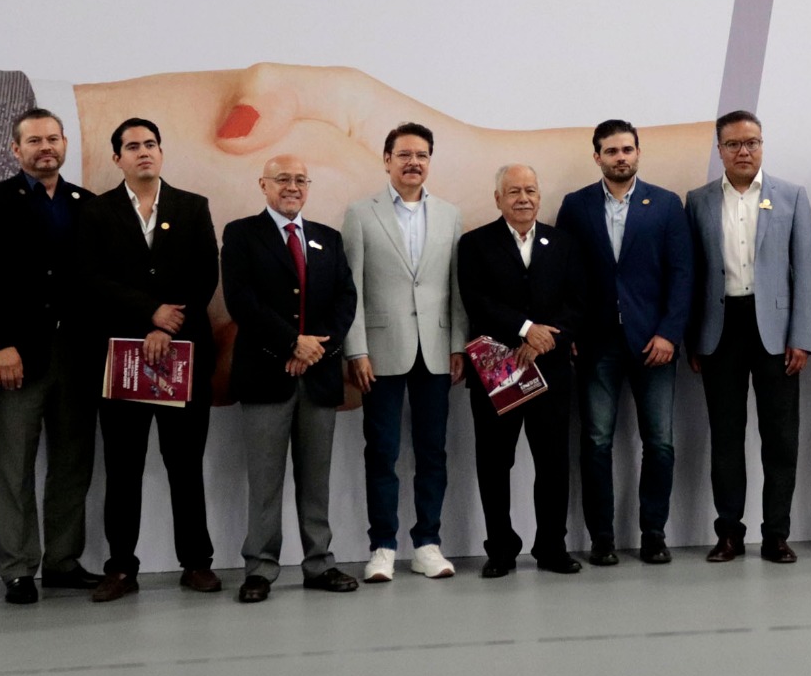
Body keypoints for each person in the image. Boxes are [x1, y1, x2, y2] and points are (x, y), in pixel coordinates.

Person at [77, 118, 223, 601]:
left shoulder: (192, 206)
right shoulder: (97, 212)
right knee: (123, 468)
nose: (144, 152)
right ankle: (120, 567)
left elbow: (205, 275)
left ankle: (197, 562)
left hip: (183, 353)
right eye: (133, 146)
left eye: (151, 144)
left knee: (185, 464)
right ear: (116, 158)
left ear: (161, 152)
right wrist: (148, 315)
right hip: (123, 356)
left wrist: (166, 325)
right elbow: (91, 279)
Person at [0, 108, 102, 605]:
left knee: (72, 463)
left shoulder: (86, 203)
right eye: (34, 141)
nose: (46, 148)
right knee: (14, 465)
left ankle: (63, 560)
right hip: (18, 353)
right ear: (15, 149)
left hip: (78, 353)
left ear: (64, 143)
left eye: (53, 139)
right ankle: (18, 567)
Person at [222, 155, 360, 602]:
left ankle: (320, 563)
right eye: (283, 179)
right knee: (265, 482)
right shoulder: (241, 234)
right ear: (263, 184)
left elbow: (345, 299)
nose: (293, 186)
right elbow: (241, 300)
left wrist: (314, 349)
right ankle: (260, 569)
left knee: (316, 480)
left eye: (301, 179)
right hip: (266, 374)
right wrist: (291, 344)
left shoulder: (328, 238)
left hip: (318, 377)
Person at [557, 119, 693, 565]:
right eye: (612, 151)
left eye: (627, 149)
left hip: (654, 343)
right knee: (596, 442)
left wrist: (670, 333)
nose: (621, 157)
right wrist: (570, 333)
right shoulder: (575, 205)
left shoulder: (666, 204)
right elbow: (564, 275)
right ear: (597, 156)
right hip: (596, 343)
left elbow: (682, 274)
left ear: (638, 153)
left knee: (660, 443)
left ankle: (653, 534)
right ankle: (602, 538)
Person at [686, 111, 811, 563]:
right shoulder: (698, 200)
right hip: (719, 330)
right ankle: (729, 533)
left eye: (752, 142)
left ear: (762, 145)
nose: (744, 151)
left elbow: (806, 273)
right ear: (719, 149)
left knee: (780, 438)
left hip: (776, 333)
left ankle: (776, 533)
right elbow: (692, 274)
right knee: (726, 438)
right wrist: (693, 339)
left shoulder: (791, 196)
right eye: (734, 144)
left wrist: (801, 337)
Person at [342, 123, 467, 582]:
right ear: (387, 160)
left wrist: (458, 344)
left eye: (422, 155)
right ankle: (383, 546)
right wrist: (355, 349)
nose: (414, 162)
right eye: (404, 154)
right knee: (382, 451)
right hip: (379, 351)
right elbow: (351, 289)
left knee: (433, 452)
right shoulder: (360, 213)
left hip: (436, 350)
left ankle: (427, 543)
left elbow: (456, 287)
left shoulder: (450, 214)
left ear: (430, 161)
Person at [457, 164, 586, 577]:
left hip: (551, 369)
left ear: (539, 196)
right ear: (498, 198)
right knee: (495, 463)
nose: (523, 198)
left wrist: (546, 338)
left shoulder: (563, 243)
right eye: (513, 191)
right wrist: (526, 329)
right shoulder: (475, 244)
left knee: (553, 463)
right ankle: (500, 550)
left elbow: (578, 303)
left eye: (530, 190)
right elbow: (477, 302)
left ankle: (552, 547)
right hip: (497, 368)